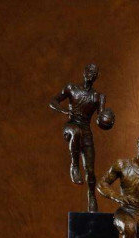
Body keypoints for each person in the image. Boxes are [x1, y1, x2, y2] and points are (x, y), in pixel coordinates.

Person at [49, 63, 111, 213]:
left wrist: (108, 118)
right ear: (84, 72)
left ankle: (91, 196)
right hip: (71, 126)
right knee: (76, 132)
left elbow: (101, 119)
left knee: (90, 171)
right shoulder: (71, 88)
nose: (91, 74)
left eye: (94, 72)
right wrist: (64, 110)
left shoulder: (98, 97)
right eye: (89, 70)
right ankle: (74, 165)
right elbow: (53, 101)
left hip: (86, 130)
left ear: (97, 76)